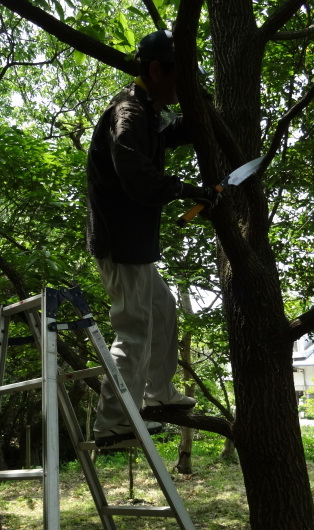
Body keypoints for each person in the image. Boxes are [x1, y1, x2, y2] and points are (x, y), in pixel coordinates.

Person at [85, 30, 218, 447]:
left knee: (162, 309)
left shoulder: (146, 110)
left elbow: (168, 135)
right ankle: (113, 424)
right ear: (157, 70)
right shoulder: (129, 113)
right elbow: (136, 174)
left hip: (132, 243)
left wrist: (202, 113)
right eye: (182, 77)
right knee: (136, 329)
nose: (186, 87)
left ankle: (158, 395)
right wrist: (186, 190)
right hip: (120, 243)